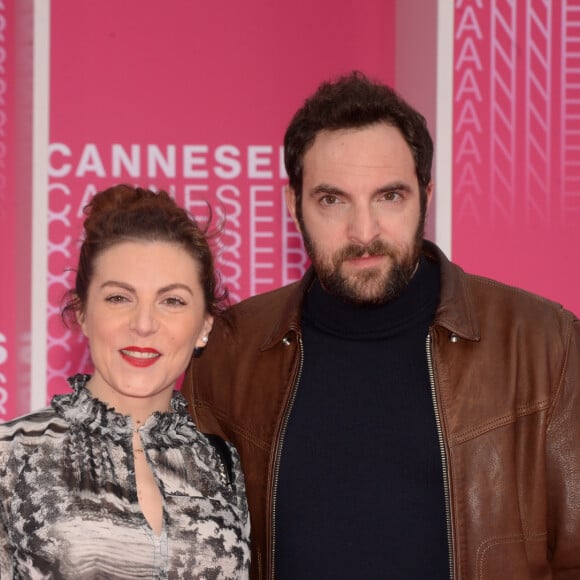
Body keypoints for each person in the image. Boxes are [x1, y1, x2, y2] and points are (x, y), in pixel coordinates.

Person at [183, 71, 580, 579]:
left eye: (389, 196)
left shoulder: (544, 343)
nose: (364, 231)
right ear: (293, 205)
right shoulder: (229, 353)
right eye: (333, 200)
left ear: (426, 195)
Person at [0, 185, 250, 579]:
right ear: (82, 313)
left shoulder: (226, 466)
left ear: (205, 326)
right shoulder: (12, 455)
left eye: (172, 301)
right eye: (119, 298)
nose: (144, 324)